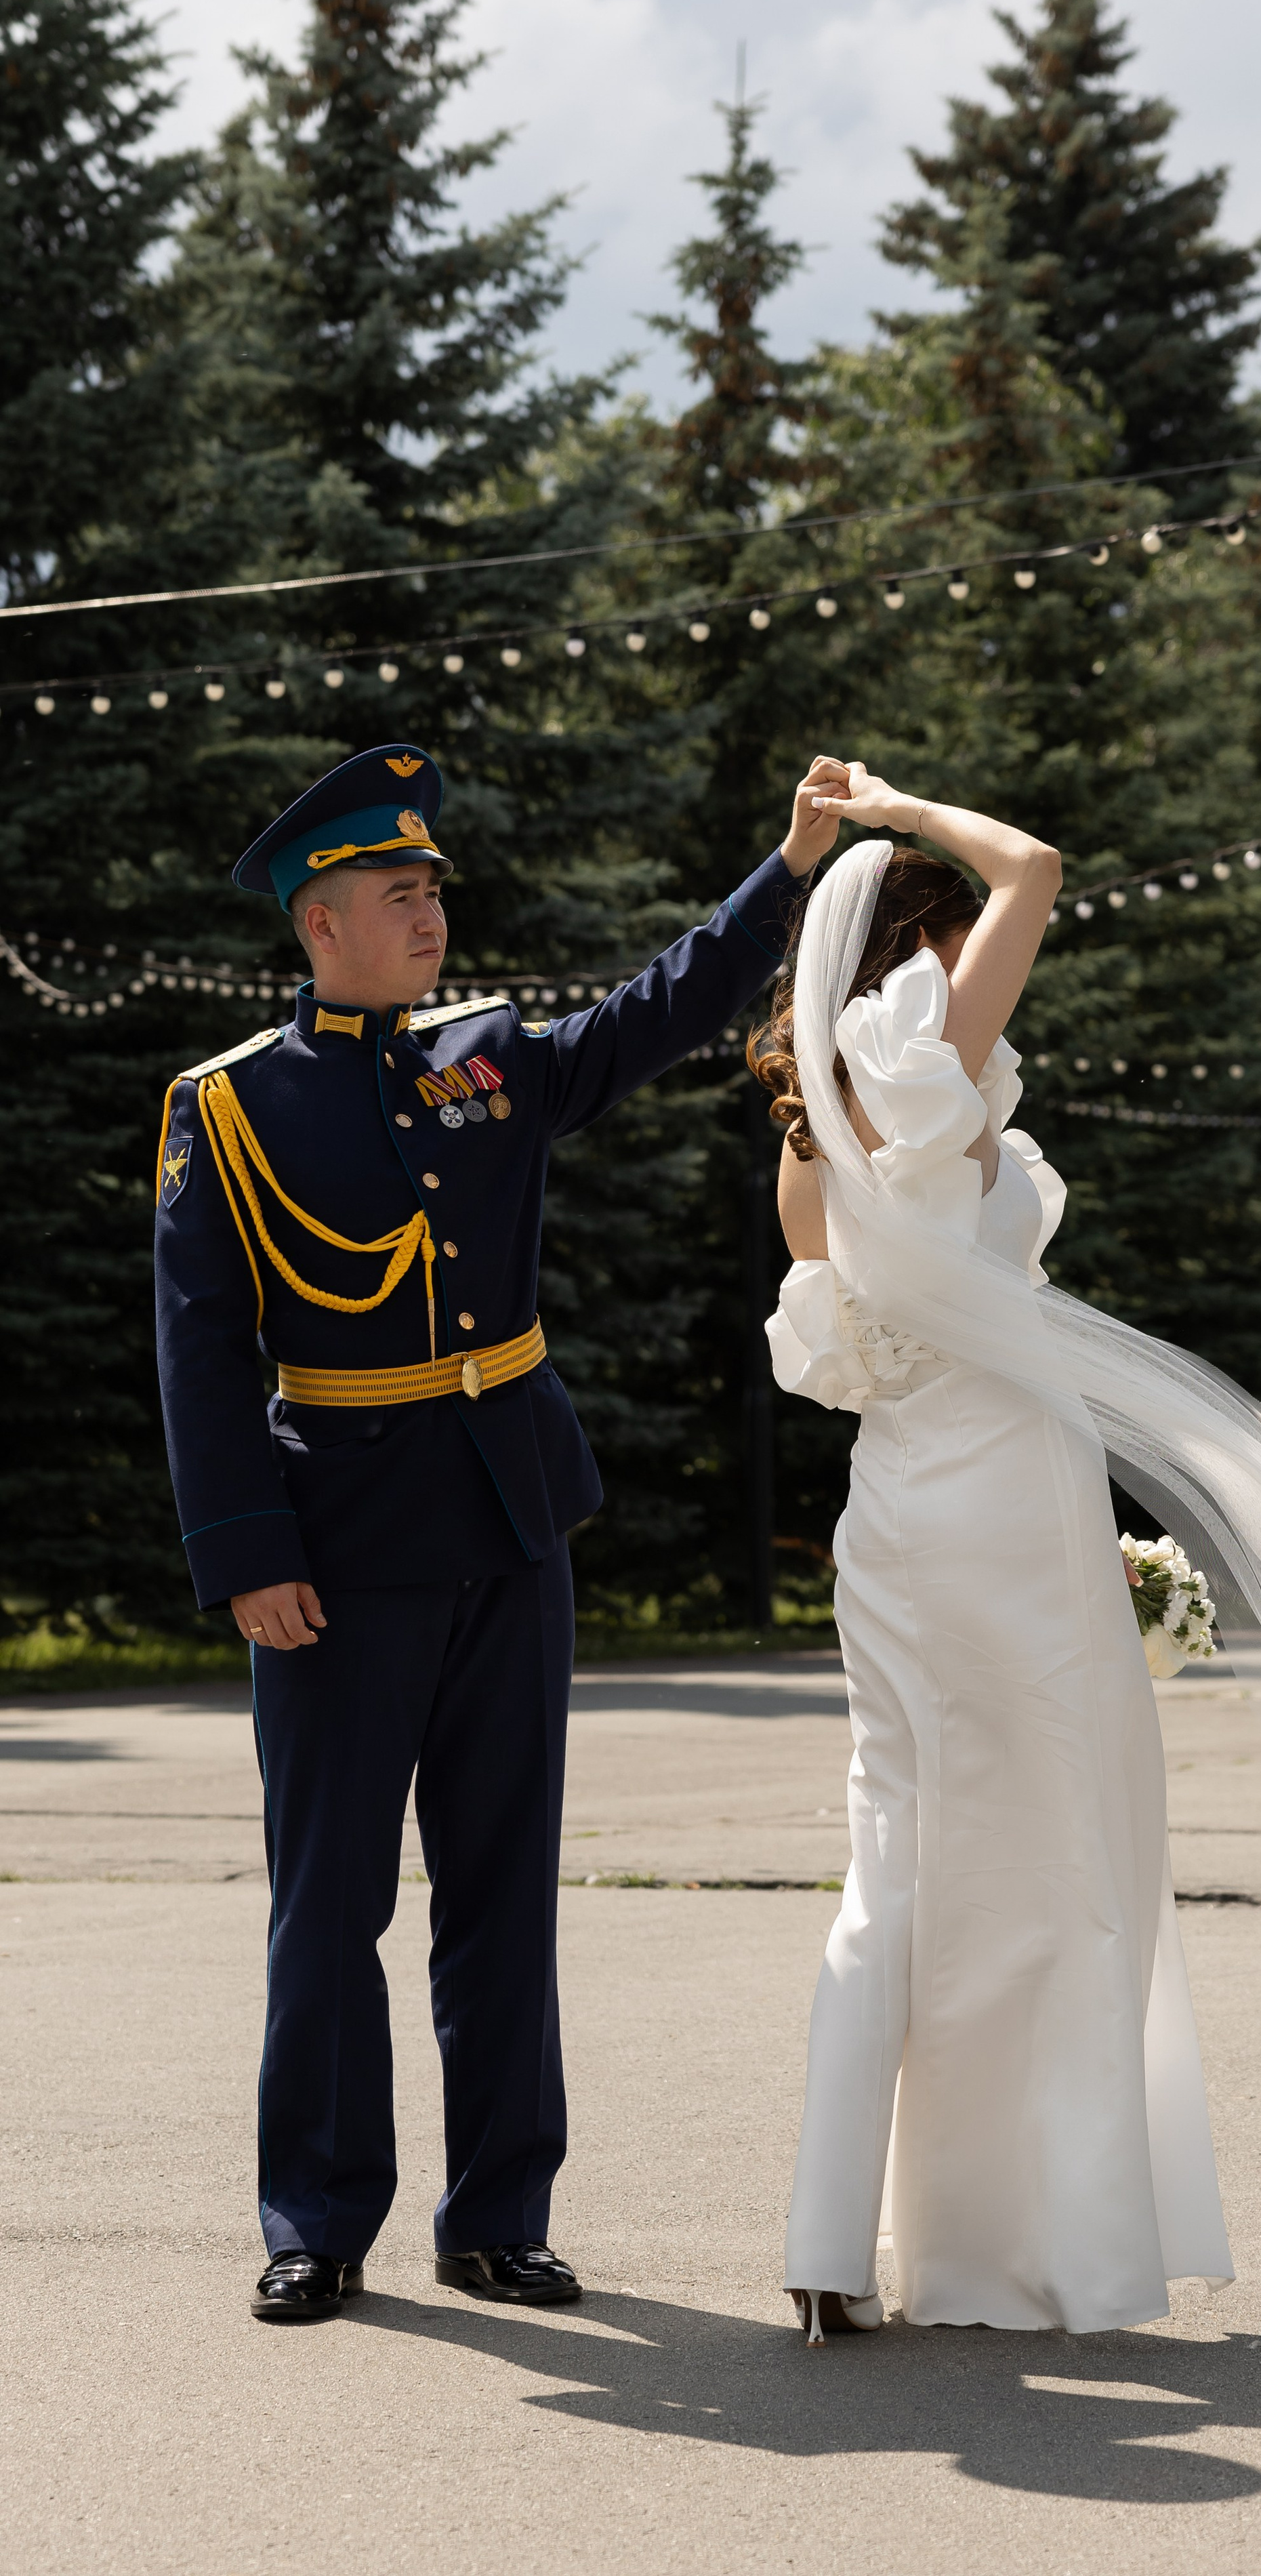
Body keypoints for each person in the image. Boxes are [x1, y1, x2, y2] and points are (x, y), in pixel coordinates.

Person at [154, 741, 843, 2321]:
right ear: (317, 921)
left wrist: (787, 869)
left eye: (432, 894)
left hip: (514, 1521)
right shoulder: (230, 1108)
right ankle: (317, 2219)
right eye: (397, 896)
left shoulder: (493, 1060)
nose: (429, 918)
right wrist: (246, 1551)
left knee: (502, 1887)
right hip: (334, 1548)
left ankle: (497, 2213)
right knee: (330, 1898)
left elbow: (661, 1008)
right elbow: (199, 1347)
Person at [749, 764, 1261, 2345]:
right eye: (931, 946)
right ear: (908, 950)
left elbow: (849, 1336)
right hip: (1000, 1500)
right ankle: (1038, 2244)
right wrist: (893, 808)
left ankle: (827, 2239)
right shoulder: (920, 1062)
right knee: (1060, 1862)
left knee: (895, 1866)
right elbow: (1037, 864)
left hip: (891, 1515)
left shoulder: (805, 1139)